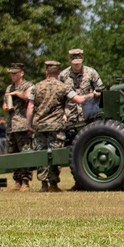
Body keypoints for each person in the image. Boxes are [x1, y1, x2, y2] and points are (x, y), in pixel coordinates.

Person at [27, 60, 92, 191]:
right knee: (55, 155)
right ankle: (53, 184)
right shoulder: (63, 87)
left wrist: (29, 124)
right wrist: (93, 95)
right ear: (57, 73)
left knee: (41, 154)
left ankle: (43, 185)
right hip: (56, 127)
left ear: (46, 72)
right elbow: (79, 100)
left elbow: (30, 106)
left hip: (39, 126)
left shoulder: (36, 87)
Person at [58, 48, 105, 146]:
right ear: (69, 60)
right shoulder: (63, 76)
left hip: (89, 116)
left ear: (82, 59)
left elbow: (101, 89)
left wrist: (92, 95)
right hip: (70, 117)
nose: (76, 66)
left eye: (78, 63)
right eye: (74, 63)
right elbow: (59, 98)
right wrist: (62, 114)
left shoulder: (91, 73)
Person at [3, 62, 34, 191]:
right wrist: (6, 107)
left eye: (15, 73)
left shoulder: (28, 86)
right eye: (11, 74)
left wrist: (17, 93)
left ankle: (26, 181)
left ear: (21, 73)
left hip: (22, 125)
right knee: (13, 153)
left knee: (25, 153)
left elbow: (28, 97)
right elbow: (4, 105)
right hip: (11, 125)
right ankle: (17, 181)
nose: (13, 76)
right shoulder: (9, 88)